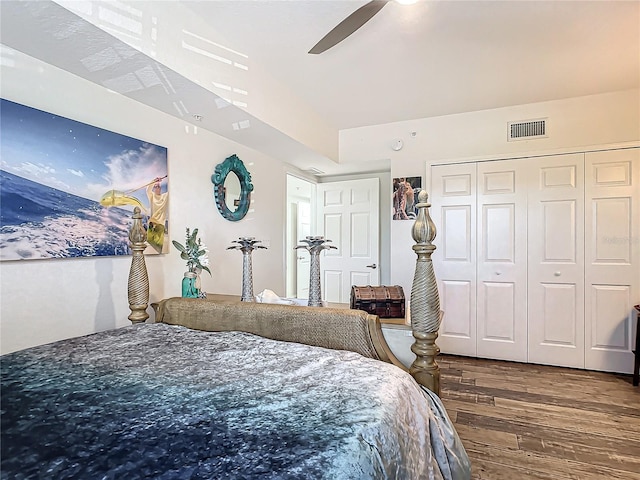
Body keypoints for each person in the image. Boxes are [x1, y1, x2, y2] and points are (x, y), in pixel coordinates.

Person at [146, 177, 169, 253]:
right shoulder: (152, 196)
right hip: (152, 223)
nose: (157, 188)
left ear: (160, 188)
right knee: (149, 245)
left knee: (157, 248)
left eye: (158, 186)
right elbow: (148, 189)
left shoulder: (164, 196)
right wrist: (154, 181)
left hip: (160, 225)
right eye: (155, 186)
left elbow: (172, 190)